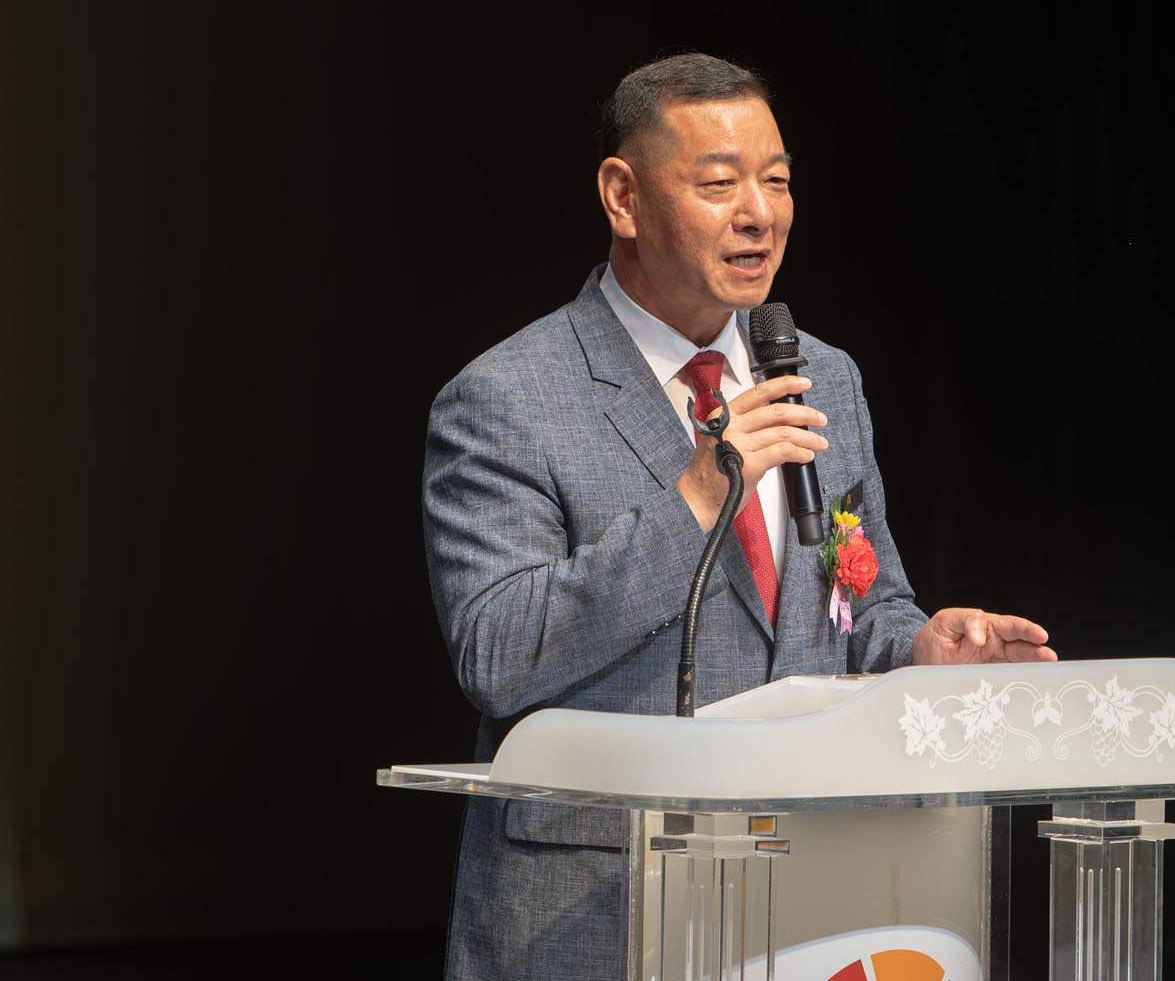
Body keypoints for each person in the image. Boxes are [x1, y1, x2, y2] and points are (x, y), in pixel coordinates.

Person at [422, 52, 1056, 980]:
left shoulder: (822, 376)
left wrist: (921, 652)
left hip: (814, 906)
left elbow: (858, 608)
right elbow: (498, 654)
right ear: (624, 198)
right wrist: (695, 501)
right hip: (598, 913)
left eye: (778, 181)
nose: (759, 213)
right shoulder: (509, 398)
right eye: (719, 184)